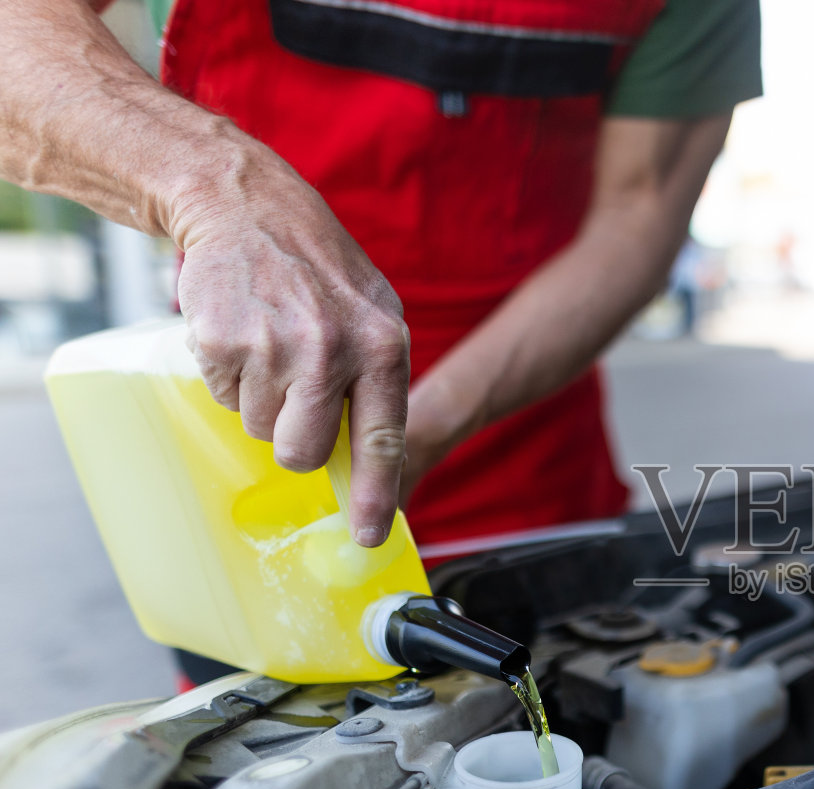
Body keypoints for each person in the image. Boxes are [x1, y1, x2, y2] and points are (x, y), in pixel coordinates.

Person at [0, 0, 761, 562]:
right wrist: (212, 186)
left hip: (524, 488)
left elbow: (638, 216)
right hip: (247, 492)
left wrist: (422, 430)